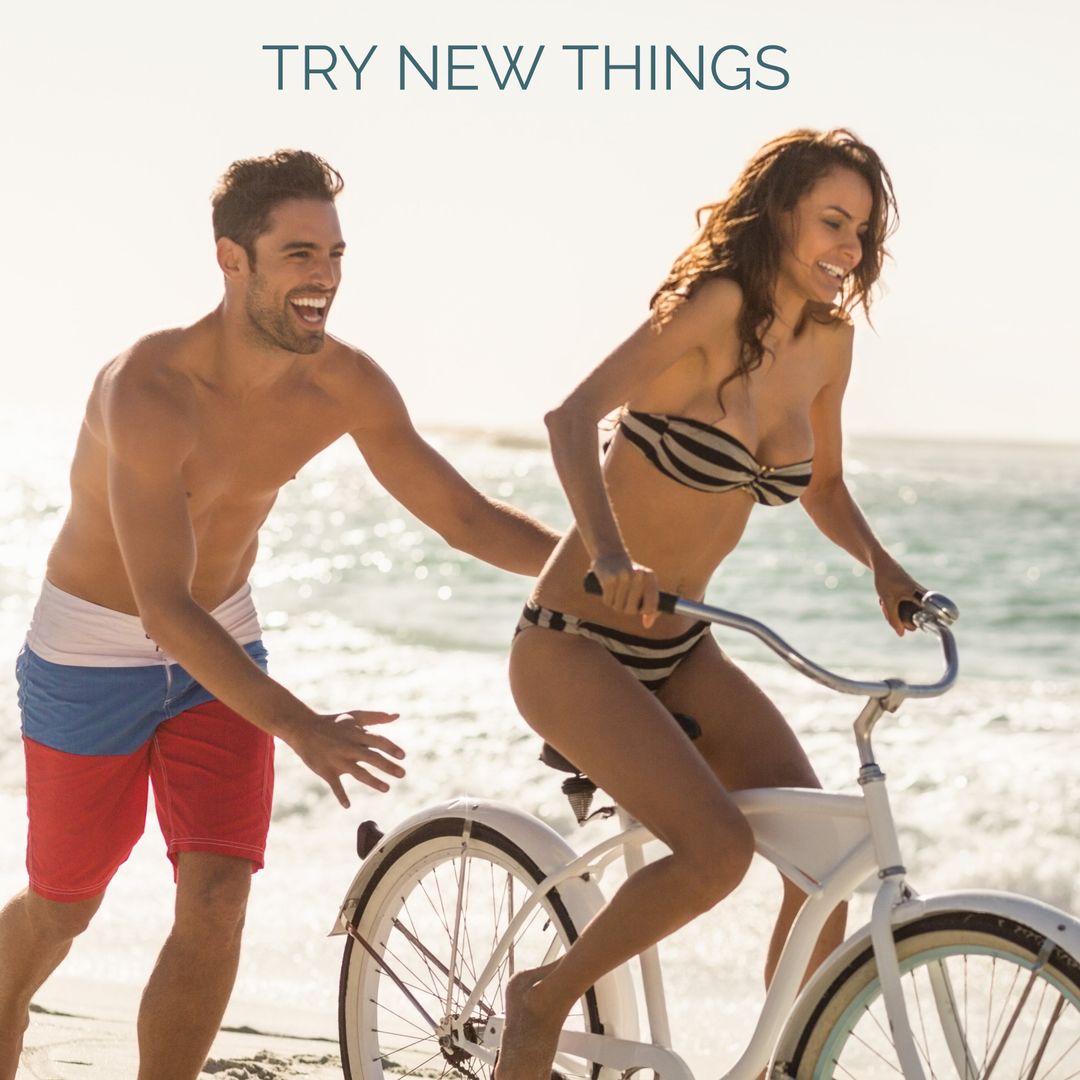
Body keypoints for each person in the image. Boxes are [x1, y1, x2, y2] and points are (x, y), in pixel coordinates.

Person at [0, 149, 558, 1080]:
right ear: (233, 259)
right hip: (94, 651)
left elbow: (463, 516)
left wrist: (599, 568)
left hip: (220, 638)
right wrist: (302, 726)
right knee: (66, 901)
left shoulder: (343, 384)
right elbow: (160, 608)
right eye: (300, 254)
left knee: (217, 897)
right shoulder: (145, 391)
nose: (326, 277)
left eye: (336, 254)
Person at [497, 128, 924, 1079]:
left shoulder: (829, 344)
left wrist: (884, 570)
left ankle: (779, 1066)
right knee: (715, 852)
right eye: (832, 220)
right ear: (780, 214)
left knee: (827, 863)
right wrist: (607, 551)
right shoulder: (712, 308)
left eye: (861, 229)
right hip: (575, 643)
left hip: (683, 647)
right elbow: (570, 419)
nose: (849, 247)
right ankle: (545, 996)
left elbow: (823, 487)